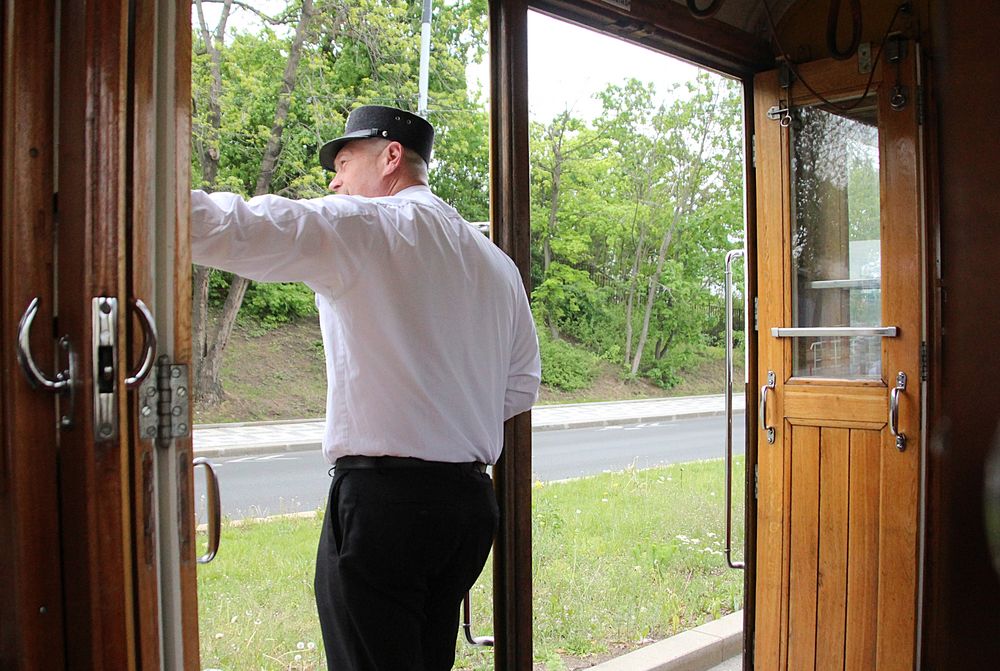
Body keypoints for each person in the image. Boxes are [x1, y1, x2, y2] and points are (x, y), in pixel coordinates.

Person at [190, 104, 541, 670]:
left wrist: (136, 198)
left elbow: (246, 226)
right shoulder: (496, 265)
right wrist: (451, 418)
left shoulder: (367, 226)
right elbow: (521, 385)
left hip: (386, 509)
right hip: (468, 509)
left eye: (344, 162)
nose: (334, 181)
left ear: (391, 158)